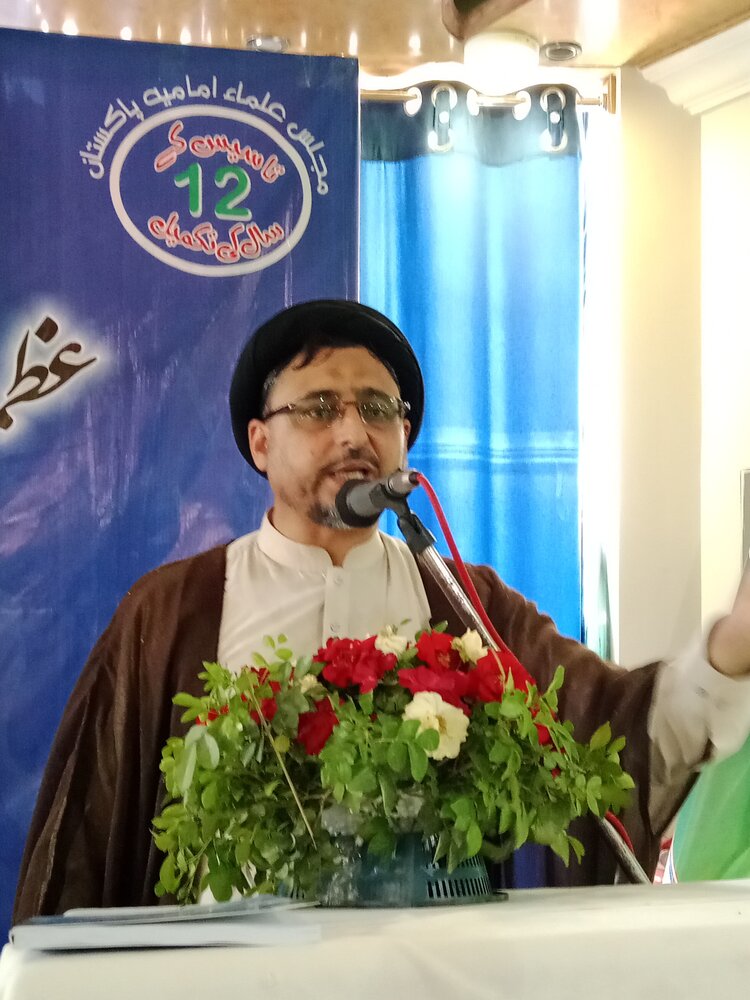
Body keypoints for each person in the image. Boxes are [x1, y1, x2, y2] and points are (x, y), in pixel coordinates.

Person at [13, 299, 750, 921]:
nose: (353, 432)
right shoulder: (171, 611)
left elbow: (618, 737)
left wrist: (732, 647)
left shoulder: (466, 603)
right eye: (319, 408)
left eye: (377, 410)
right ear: (260, 443)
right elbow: (85, 841)